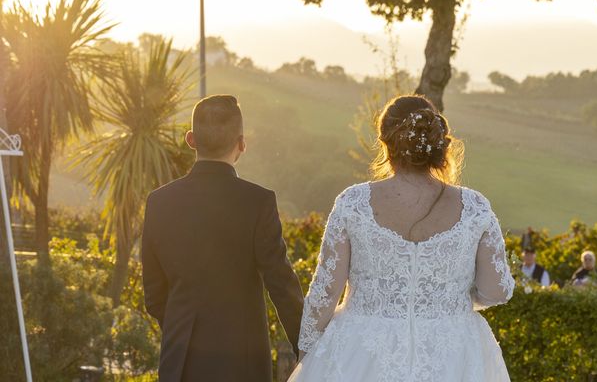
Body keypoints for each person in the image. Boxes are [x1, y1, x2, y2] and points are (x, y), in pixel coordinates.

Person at [289, 95, 515, 382]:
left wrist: (306, 354)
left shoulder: (353, 202)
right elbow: (497, 291)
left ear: (385, 143)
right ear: (438, 141)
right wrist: (445, 295)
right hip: (453, 353)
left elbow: (325, 293)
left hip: (361, 351)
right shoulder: (475, 207)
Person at [142, 95, 304, 382]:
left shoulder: (159, 202)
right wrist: (308, 346)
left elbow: (155, 295)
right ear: (241, 143)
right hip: (243, 364)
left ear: (190, 139)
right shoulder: (258, 202)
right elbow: (280, 284)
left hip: (180, 364)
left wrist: (182, 328)